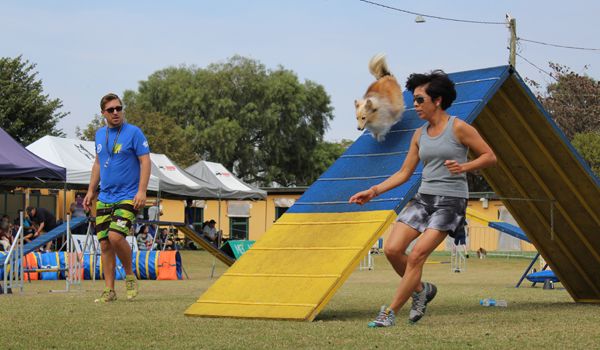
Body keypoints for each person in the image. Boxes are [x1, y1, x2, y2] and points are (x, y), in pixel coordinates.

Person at [349, 70, 497, 328]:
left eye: (419, 100)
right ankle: (422, 290)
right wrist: (373, 191)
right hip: (424, 198)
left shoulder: (459, 128)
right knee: (392, 249)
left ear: (437, 100)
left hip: (451, 201)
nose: (414, 105)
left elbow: (489, 156)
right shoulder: (419, 134)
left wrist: (464, 167)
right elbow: (405, 173)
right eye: (414, 100)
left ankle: (390, 313)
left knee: (416, 255)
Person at [83, 93, 151, 303]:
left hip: (128, 196)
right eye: (111, 109)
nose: (116, 112)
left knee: (115, 237)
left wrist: (141, 191)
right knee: (104, 244)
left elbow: (145, 162)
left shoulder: (134, 133)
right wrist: (90, 190)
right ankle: (109, 290)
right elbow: (97, 163)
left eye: (119, 108)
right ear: (103, 113)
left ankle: (129, 275)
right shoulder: (99, 135)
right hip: (104, 197)